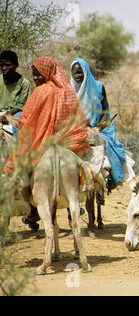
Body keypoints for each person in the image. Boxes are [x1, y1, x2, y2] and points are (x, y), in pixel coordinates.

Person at [3, 56, 91, 230]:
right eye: (34, 75)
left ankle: (31, 206)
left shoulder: (40, 92)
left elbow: (28, 122)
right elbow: (77, 118)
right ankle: (81, 194)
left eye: (38, 75)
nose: (36, 78)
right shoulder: (66, 90)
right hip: (66, 143)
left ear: (48, 73)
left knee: (21, 169)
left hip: (42, 145)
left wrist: (14, 121)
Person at [70, 58, 127, 190]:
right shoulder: (68, 91)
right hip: (76, 130)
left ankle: (108, 182)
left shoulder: (98, 87)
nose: (78, 76)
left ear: (86, 72)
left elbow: (106, 111)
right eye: (75, 73)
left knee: (111, 152)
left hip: (97, 129)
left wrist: (99, 127)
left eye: (81, 72)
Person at [0, 50, 31, 136]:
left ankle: (18, 149)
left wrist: (7, 115)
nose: (4, 68)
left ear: (16, 65)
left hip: (16, 114)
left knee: (20, 125)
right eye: (1, 65)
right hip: (1, 112)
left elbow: (20, 106)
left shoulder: (24, 83)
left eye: (7, 65)